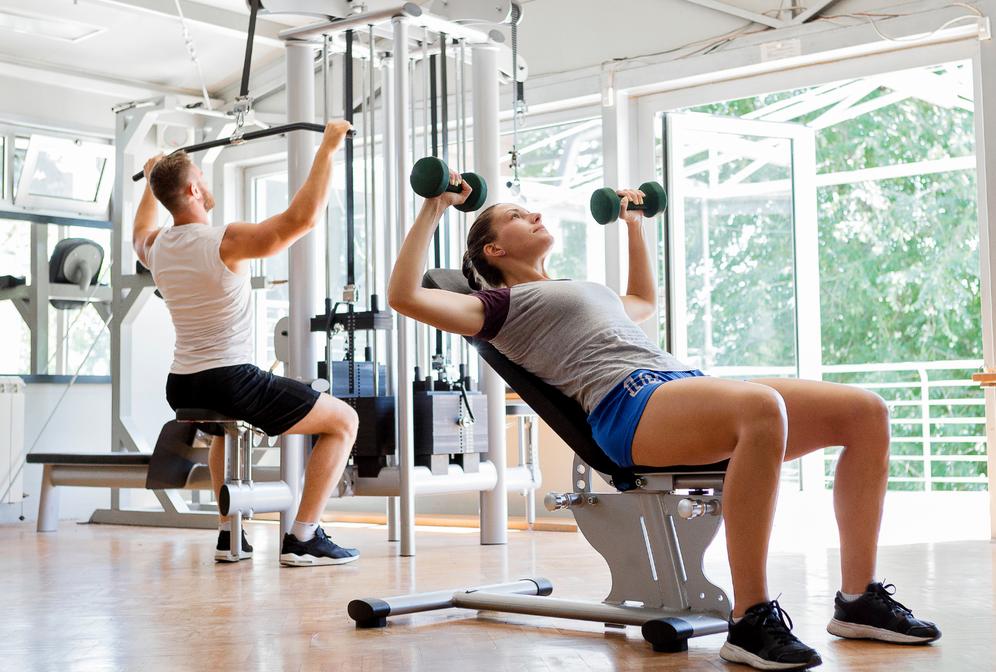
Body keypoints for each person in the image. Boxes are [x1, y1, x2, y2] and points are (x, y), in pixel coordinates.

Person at [387, 171, 941, 671]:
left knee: (865, 412)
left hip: (679, 386)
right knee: (760, 406)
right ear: (494, 248)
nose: (533, 214)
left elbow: (643, 301)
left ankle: (858, 600)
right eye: (516, 215)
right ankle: (750, 619)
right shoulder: (498, 306)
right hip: (628, 407)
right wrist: (435, 207)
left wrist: (634, 226)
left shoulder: (580, 288)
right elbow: (405, 296)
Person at [133, 121, 359, 568]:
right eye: (202, 177)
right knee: (344, 421)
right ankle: (303, 537)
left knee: (223, 430)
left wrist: (151, 176)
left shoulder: (155, 246)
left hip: (182, 383)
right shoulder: (224, 241)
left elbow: (140, 228)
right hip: (229, 379)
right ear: (194, 190)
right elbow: (302, 220)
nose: (206, 183)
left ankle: (228, 532)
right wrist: (328, 148)